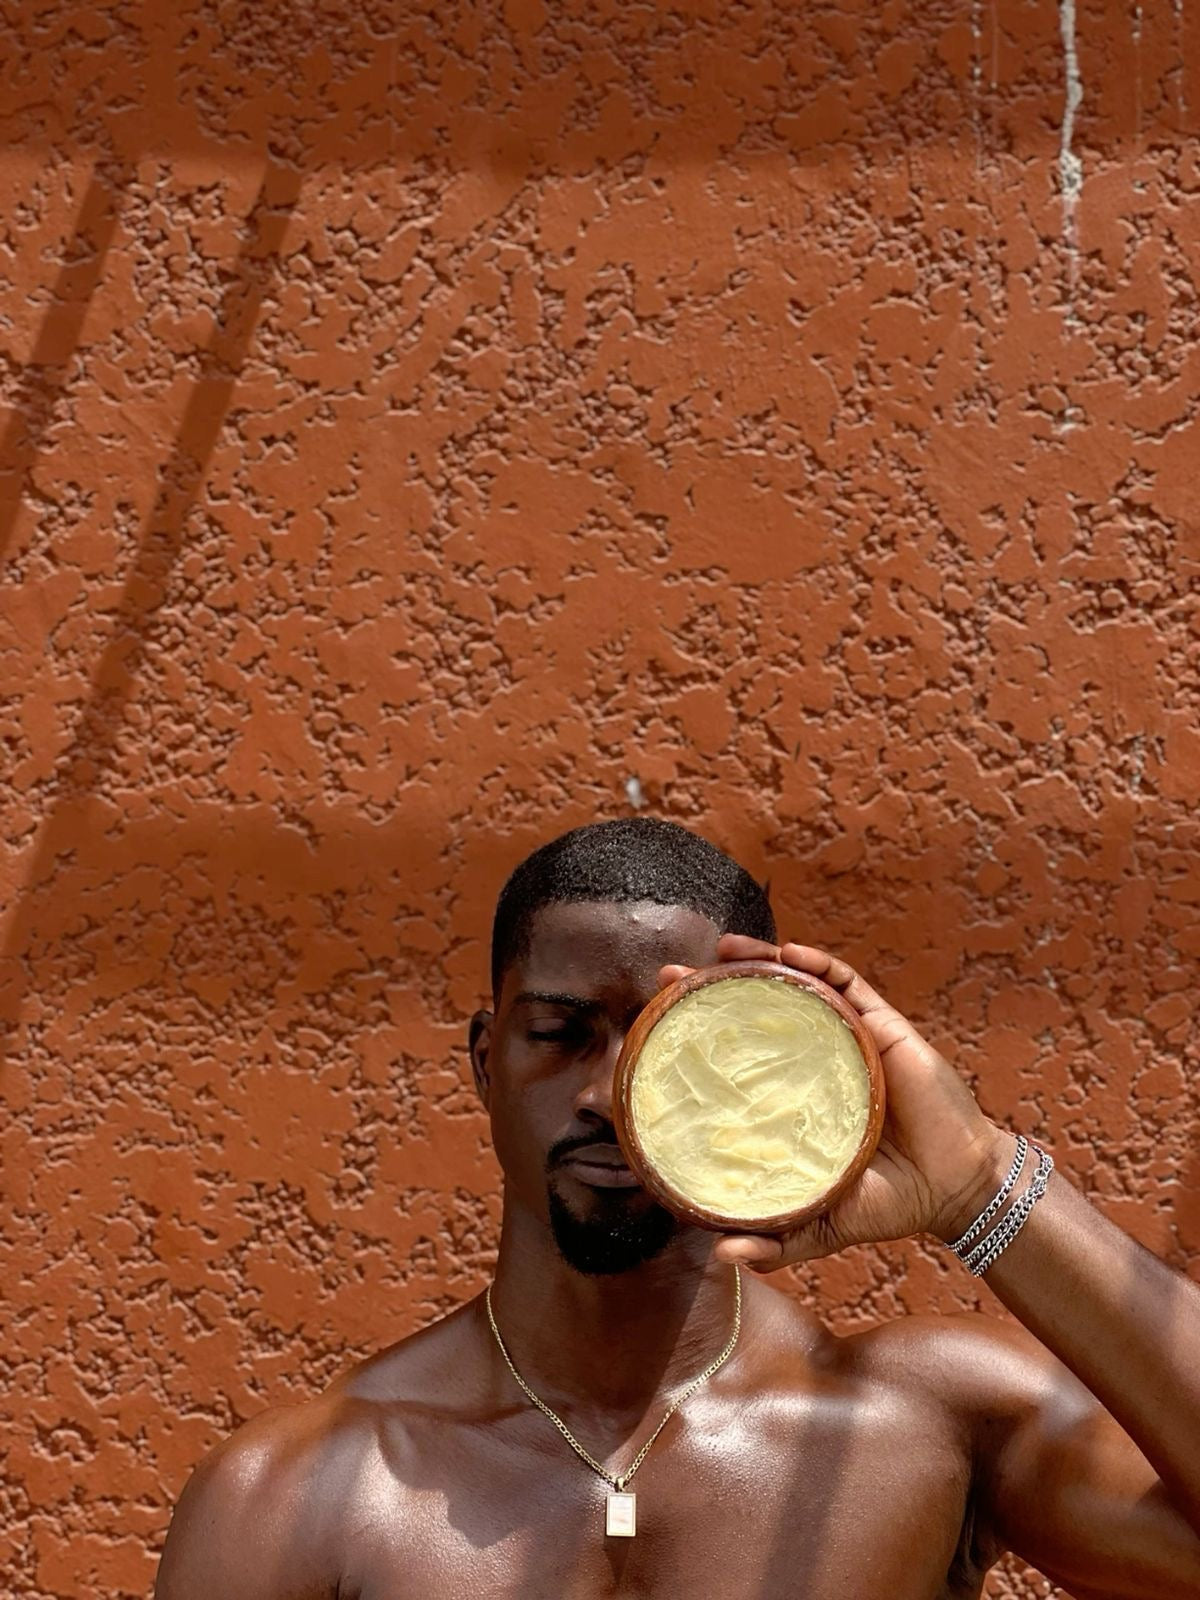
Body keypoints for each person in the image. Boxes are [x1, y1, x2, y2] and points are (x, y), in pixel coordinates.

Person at [155, 817, 1200, 1598]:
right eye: (563, 1031)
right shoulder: (300, 1491)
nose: (611, 1095)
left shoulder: (927, 1422)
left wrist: (976, 1180)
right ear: (486, 1061)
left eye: (677, 1045)